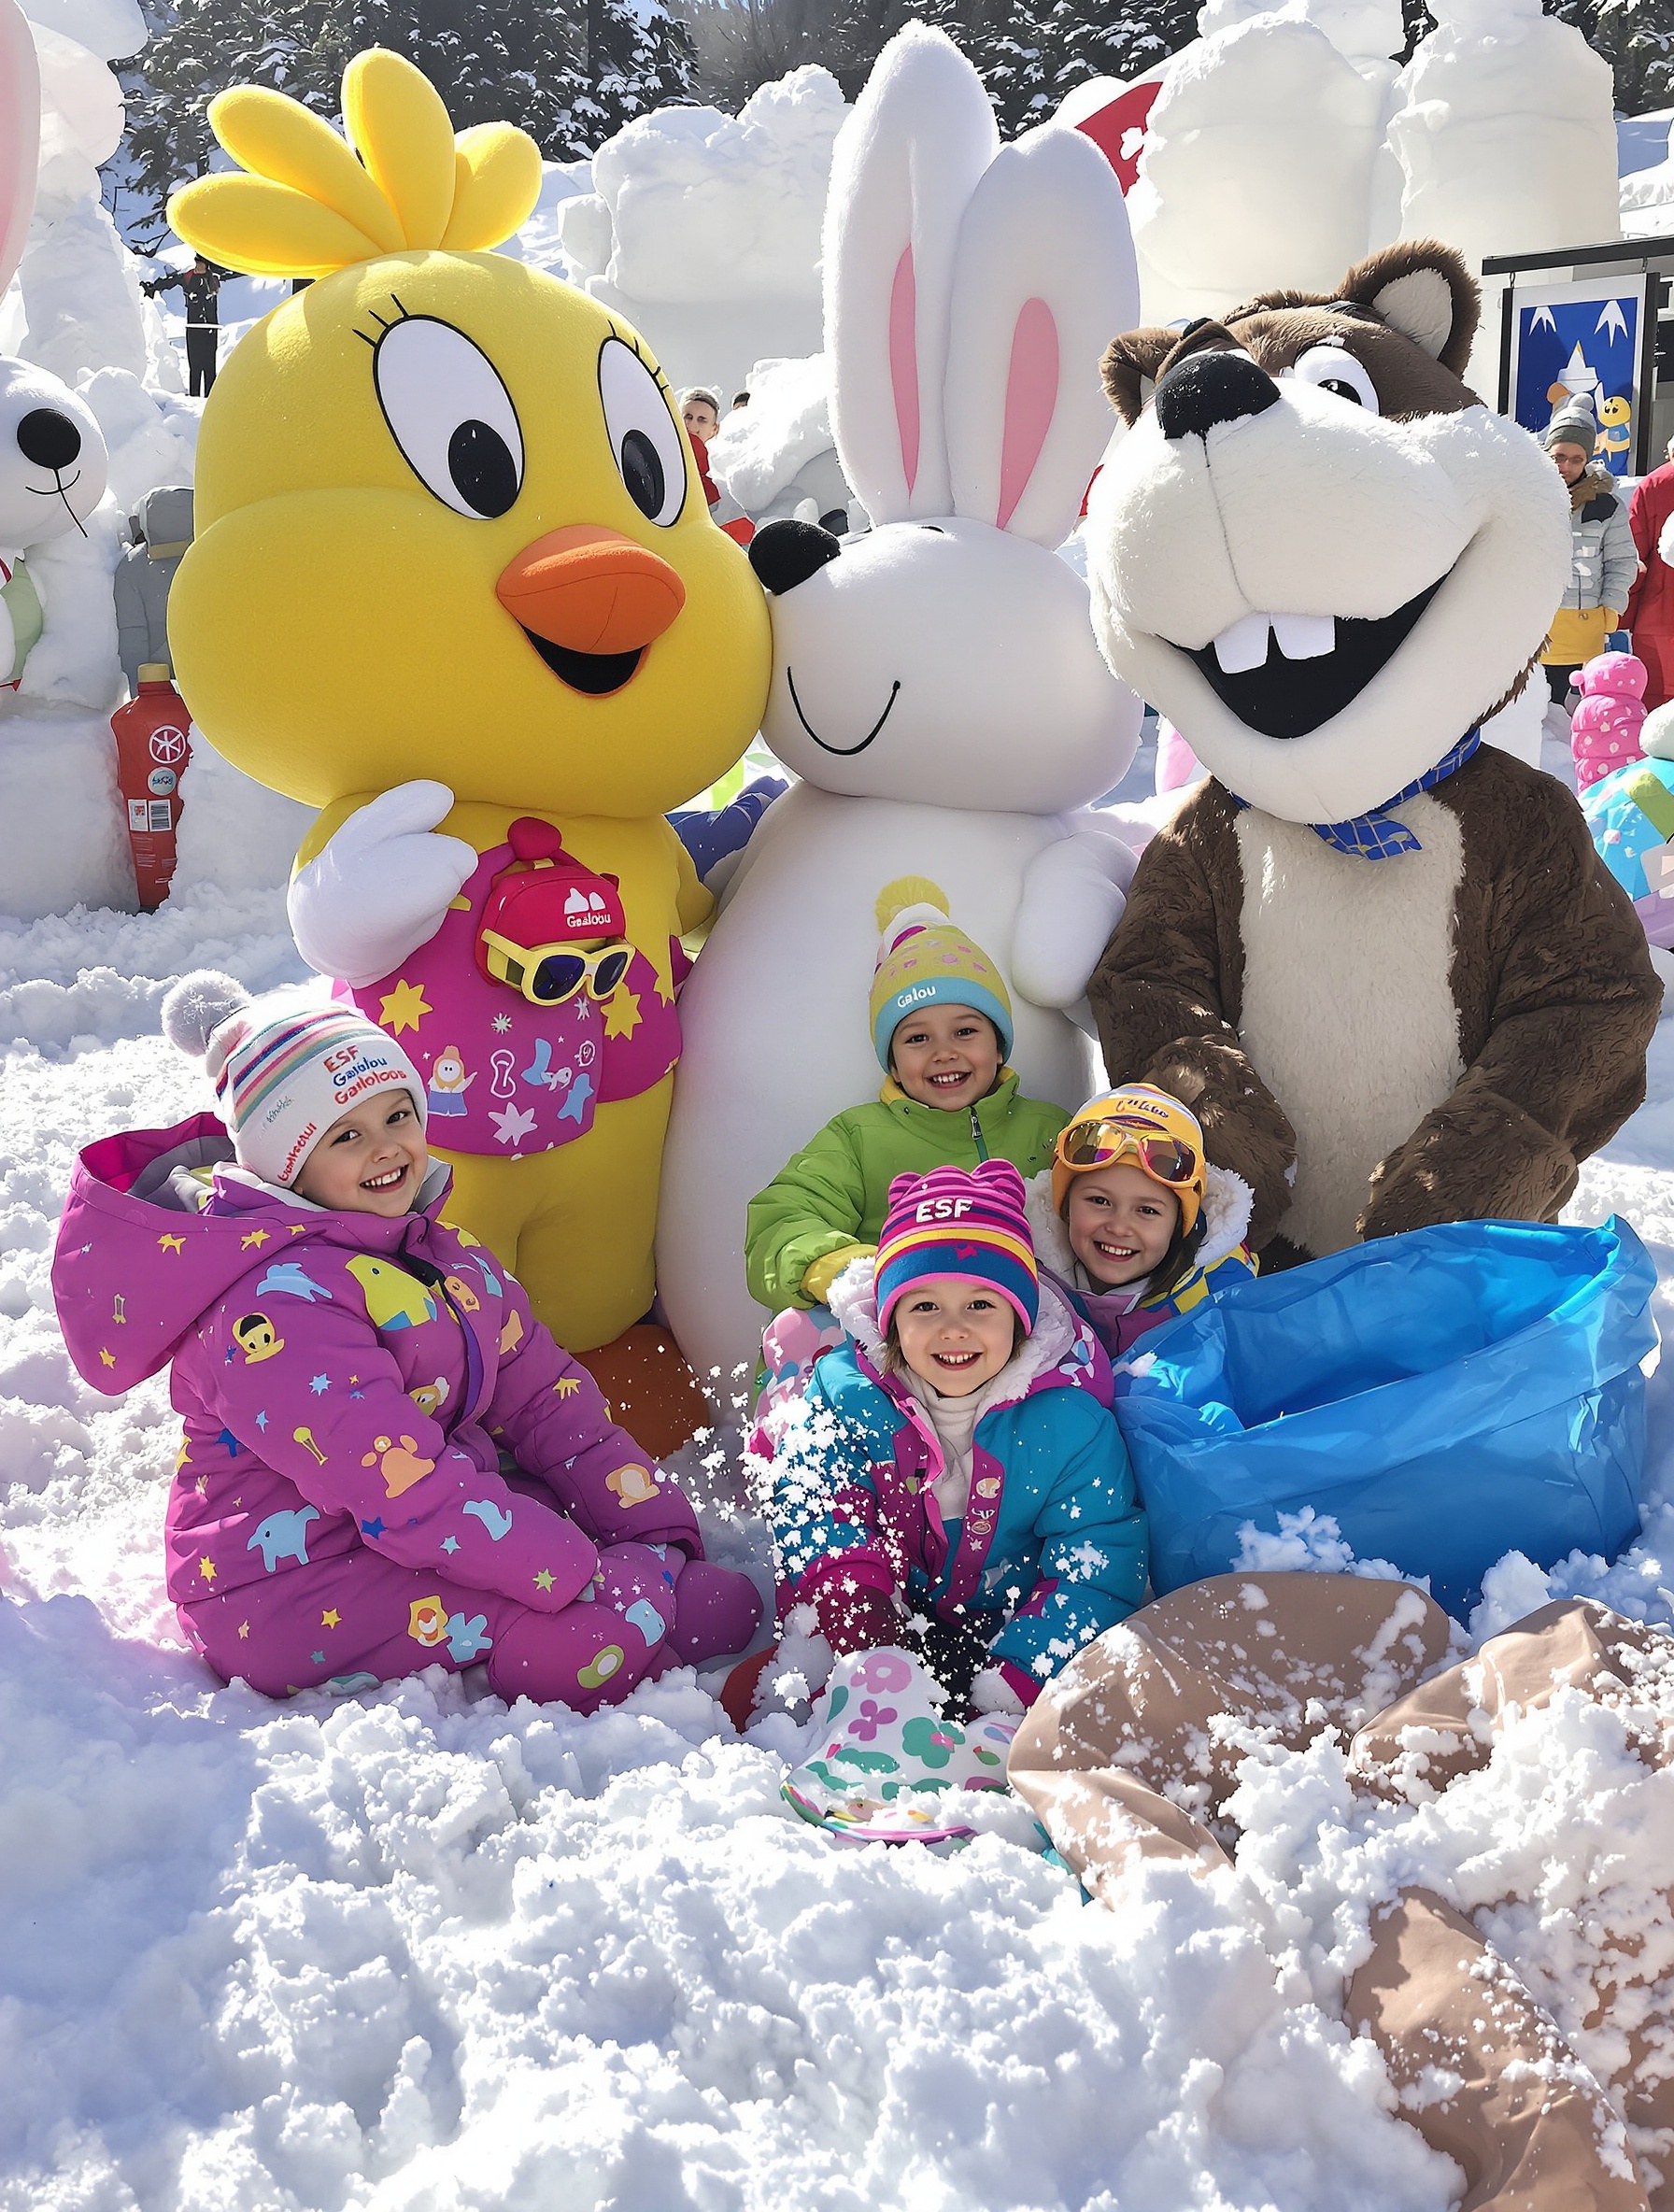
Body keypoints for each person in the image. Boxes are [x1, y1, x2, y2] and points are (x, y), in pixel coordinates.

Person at [51, 974, 762, 1709]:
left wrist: (651, 1530)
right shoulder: (272, 1310)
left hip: (412, 1516)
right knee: (586, 1636)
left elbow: (547, 1399)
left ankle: (629, 1605)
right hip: (286, 1590)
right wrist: (581, 1574)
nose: (389, 1148)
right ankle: (592, 1650)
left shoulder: (432, 1248)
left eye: (398, 1115)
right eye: (347, 1135)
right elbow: (402, 1487)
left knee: (676, 1592)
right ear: (284, 1163)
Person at [754, 1160, 1146, 1715]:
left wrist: (1019, 1672)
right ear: (890, 1322)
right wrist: (862, 1621)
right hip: (881, 1615)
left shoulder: (1068, 1422)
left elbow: (1096, 1555)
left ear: (1021, 1317)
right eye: (925, 1306)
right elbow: (814, 1507)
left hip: (1006, 1627)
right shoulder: (846, 1399)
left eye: (981, 1304)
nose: (953, 1328)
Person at [745, 886, 1068, 1318]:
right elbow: (781, 1218)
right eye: (918, 1038)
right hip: (900, 1336)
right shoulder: (859, 1138)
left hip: (1030, 1335)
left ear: (998, 1047)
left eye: (965, 1031)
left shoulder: (1050, 1130)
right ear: (893, 1064)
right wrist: (844, 1269)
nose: (944, 1052)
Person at [1024, 1085, 1256, 1358]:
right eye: (1099, 1201)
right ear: (1064, 1206)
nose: (1119, 1227)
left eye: (1146, 1210)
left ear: (1180, 1223)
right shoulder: (1028, 1270)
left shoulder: (1220, 1290)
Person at [1540, 398, 1639, 705]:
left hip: (1584, 631)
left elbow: (1621, 562)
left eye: (1576, 459)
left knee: (1577, 720)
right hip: (1532, 629)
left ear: (1587, 460)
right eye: (1559, 456)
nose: (1566, 466)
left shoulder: (1606, 506)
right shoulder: (1528, 498)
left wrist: (1611, 609)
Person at [1625, 435, 1674, 711]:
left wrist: (1626, 614)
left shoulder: (1652, 485)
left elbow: (1635, 558)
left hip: (1656, 617)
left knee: (1655, 704)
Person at [143, 256, 222, 396]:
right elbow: (170, 282)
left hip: (211, 328)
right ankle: (194, 397)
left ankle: (210, 398)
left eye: (201, 265)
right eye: (196, 264)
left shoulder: (214, 279)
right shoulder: (188, 276)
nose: (197, 267)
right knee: (195, 366)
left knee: (210, 367)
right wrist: (153, 287)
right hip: (193, 328)